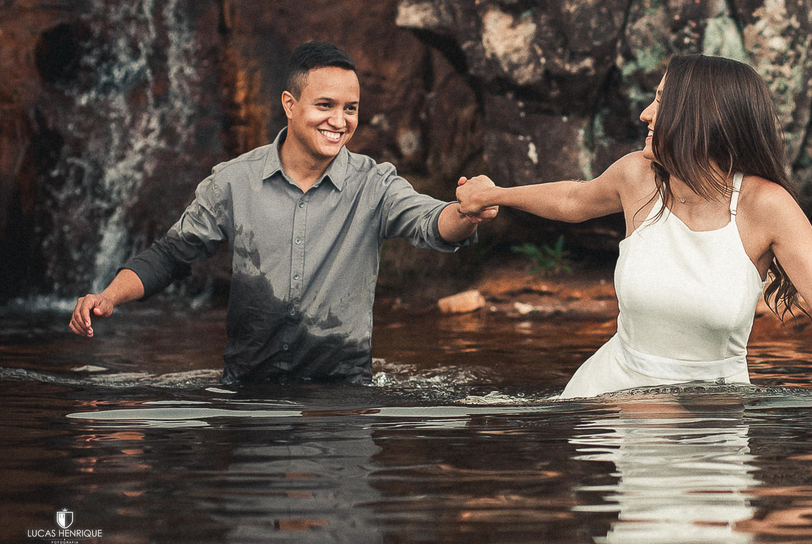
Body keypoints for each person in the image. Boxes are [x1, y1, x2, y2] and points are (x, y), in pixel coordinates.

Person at [456, 54, 812, 398]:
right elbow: (574, 198)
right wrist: (493, 193)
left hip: (710, 415)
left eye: (662, 101)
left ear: (701, 117)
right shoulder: (638, 177)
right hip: (608, 399)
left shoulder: (767, 207)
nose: (646, 114)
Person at [69, 42, 495, 384]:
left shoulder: (375, 184)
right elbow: (170, 256)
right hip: (247, 391)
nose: (340, 121)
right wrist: (108, 296)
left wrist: (466, 211)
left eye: (351, 108)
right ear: (290, 104)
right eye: (325, 105)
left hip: (342, 397)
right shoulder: (233, 182)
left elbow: (433, 223)